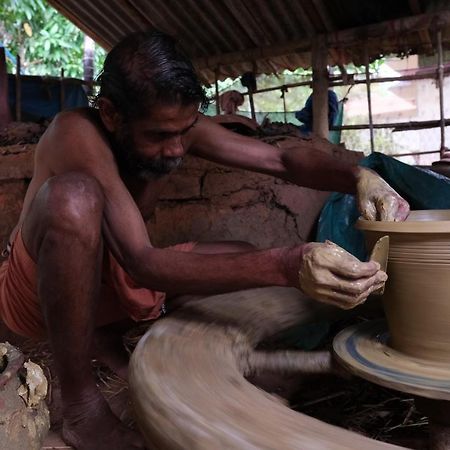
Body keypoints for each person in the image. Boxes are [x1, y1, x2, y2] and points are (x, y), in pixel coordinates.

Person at [0, 31, 409, 450]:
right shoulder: (76, 132)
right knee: (75, 199)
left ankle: (106, 339)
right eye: (159, 136)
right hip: (35, 301)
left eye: (186, 129)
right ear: (110, 113)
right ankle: (81, 405)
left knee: (240, 259)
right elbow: (141, 260)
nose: (177, 148)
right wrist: (290, 264)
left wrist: (358, 175)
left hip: (116, 282)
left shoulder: (177, 127)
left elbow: (281, 159)